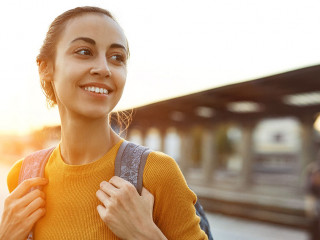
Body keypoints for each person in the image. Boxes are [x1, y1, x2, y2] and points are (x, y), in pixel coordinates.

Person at [0, 6, 208, 240]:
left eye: (117, 57)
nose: (104, 68)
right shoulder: (23, 177)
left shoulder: (158, 174)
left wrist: (146, 236)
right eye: (84, 51)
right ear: (45, 67)